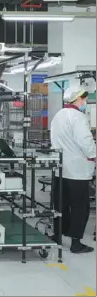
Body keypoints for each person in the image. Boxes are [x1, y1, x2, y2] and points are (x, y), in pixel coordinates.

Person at [51, 84, 96, 254]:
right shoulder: (78, 117)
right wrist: (93, 154)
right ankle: (76, 243)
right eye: (84, 98)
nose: (85, 101)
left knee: (60, 205)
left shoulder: (59, 115)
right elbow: (86, 143)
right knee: (79, 207)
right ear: (78, 98)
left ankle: (58, 235)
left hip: (61, 168)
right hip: (78, 171)